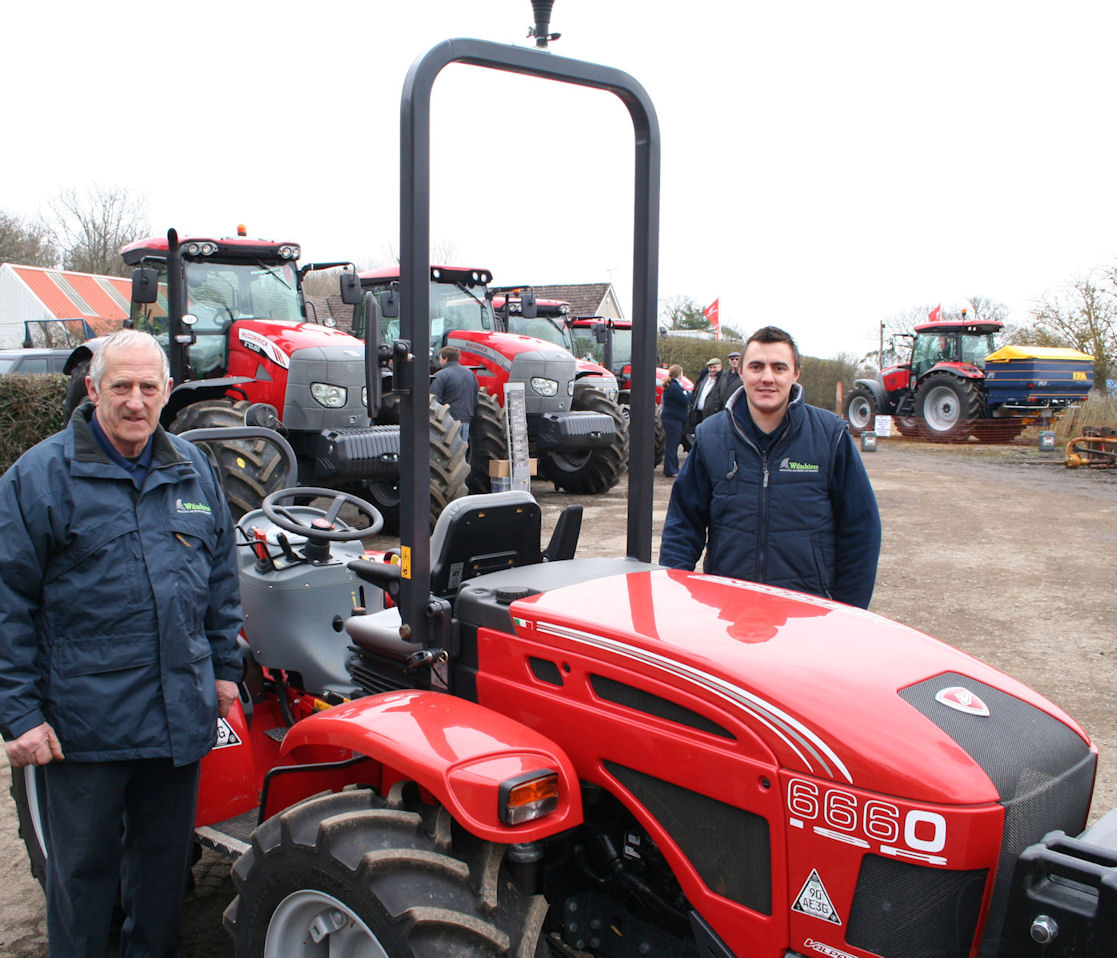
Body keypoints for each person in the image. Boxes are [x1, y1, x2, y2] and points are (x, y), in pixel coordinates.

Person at [0, 329, 243, 956]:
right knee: (82, 876)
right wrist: (19, 715)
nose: (135, 402)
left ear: (166, 392)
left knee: (162, 877)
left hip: (177, 714)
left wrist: (223, 671)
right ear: (93, 389)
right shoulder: (40, 479)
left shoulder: (193, 471)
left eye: (148, 387)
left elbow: (219, 583)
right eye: (121, 387)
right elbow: (8, 603)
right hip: (85, 725)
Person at [660, 326, 881, 609]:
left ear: (795, 373)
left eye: (779, 367)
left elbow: (861, 529)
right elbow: (683, 524)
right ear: (741, 372)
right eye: (756, 366)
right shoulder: (711, 436)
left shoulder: (830, 436)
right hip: (728, 613)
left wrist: (847, 612)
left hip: (808, 614)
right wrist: (678, 596)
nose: (767, 378)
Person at [431, 345, 479, 445]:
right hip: (466, 419)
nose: (439, 362)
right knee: (462, 451)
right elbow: (475, 398)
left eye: (440, 359)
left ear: (445, 358)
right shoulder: (470, 374)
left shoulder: (441, 375)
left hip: (448, 423)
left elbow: (434, 401)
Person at [660, 364, 690, 478]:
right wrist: (687, 394)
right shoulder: (674, 387)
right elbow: (685, 400)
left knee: (673, 444)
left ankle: (674, 467)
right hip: (673, 419)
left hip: (673, 419)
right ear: (680, 374)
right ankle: (670, 469)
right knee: (672, 445)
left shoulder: (674, 385)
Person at [687, 356, 729, 430]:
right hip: (697, 414)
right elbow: (696, 393)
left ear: (720, 367)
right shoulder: (703, 378)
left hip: (711, 415)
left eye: (714, 367)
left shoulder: (723, 380)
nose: (712, 370)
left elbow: (723, 398)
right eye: (710, 367)